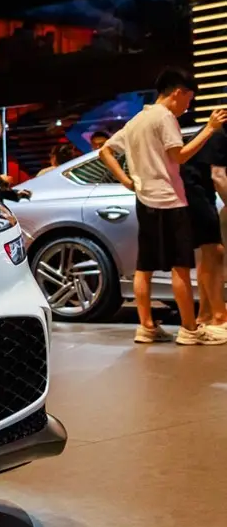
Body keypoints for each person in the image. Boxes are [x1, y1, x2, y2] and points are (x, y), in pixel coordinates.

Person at [100, 68, 227, 345]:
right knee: (180, 266)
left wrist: (127, 181)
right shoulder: (165, 117)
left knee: (144, 267)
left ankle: (146, 326)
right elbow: (179, 156)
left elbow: (105, 151)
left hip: (145, 200)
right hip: (170, 200)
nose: (187, 107)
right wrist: (209, 129)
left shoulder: (137, 120)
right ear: (178, 92)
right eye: (188, 99)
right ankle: (190, 329)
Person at [179, 124, 227, 329]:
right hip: (194, 190)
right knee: (214, 251)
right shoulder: (220, 133)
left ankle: (205, 314)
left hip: (199, 190)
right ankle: (220, 316)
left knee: (209, 254)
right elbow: (218, 176)